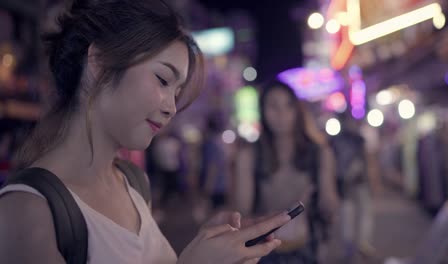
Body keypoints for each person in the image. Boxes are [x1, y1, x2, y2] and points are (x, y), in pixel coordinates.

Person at [0, 1, 292, 263]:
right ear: (99, 64)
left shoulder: (133, 181)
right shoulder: (26, 211)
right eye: (163, 80)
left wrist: (209, 247)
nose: (172, 108)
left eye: (178, 93)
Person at [234, 80, 339, 264]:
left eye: (288, 105)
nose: (281, 114)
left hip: (306, 247)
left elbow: (329, 205)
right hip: (264, 249)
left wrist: (324, 200)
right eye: (273, 105)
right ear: (262, 111)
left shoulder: (319, 153)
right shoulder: (250, 155)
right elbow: (241, 210)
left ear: (297, 111)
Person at [329, 112, 376, 262]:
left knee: (351, 214)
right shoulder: (356, 139)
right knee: (354, 213)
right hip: (353, 182)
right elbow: (366, 161)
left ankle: (355, 245)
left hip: (349, 182)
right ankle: (358, 244)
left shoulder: (336, 140)